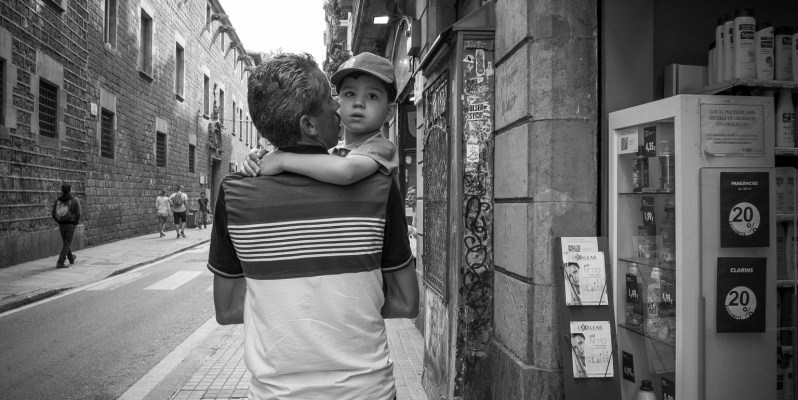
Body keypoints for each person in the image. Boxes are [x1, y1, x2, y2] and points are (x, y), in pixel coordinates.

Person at [208, 52, 418, 400]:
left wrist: (292, 308)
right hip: (367, 391)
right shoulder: (379, 187)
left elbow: (228, 310)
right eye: (332, 99)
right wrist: (348, 306)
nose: (341, 108)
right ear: (309, 124)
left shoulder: (233, 192)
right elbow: (407, 302)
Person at [242, 51, 399, 184]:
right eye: (350, 94)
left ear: (390, 111)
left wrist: (281, 159)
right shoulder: (333, 151)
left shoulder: (382, 147)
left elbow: (348, 171)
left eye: (372, 96)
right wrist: (261, 157)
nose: (359, 103)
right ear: (338, 102)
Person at [51, 183, 81, 268]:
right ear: (70, 190)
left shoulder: (58, 200)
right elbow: (78, 213)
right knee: (67, 242)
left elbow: (53, 214)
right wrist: (75, 222)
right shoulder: (75, 200)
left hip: (61, 225)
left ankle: (71, 258)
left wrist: (59, 221)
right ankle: (60, 261)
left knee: (66, 242)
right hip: (71, 225)